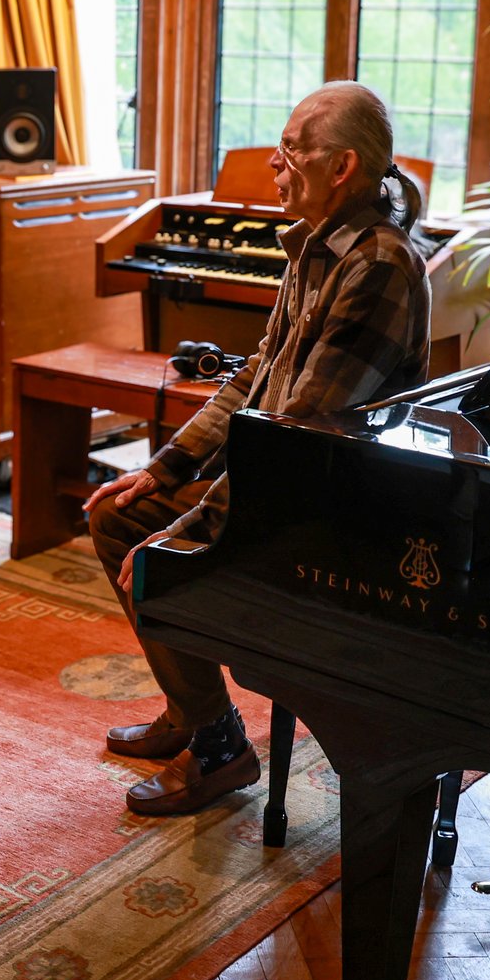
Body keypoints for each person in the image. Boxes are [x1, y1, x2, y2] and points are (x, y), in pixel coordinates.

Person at [85, 81, 430, 817]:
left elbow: (297, 434)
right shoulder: (317, 249)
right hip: (278, 476)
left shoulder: (378, 265)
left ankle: (218, 753)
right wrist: (161, 470)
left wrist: (185, 529)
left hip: (325, 510)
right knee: (118, 511)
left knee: (152, 550)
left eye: (292, 150)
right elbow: (253, 381)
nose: (276, 164)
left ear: (341, 168)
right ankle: (198, 718)